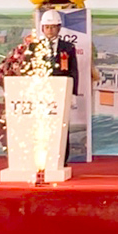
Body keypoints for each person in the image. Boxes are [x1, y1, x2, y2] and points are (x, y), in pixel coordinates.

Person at [38, 9, 79, 163]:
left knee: (61, 125)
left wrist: (73, 94)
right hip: (41, 93)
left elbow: (74, 71)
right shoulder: (34, 47)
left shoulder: (68, 47)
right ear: (42, 28)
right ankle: (43, 157)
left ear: (59, 28)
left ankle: (62, 158)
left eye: (54, 27)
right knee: (42, 124)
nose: (50, 30)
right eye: (47, 27)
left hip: (61, 91)